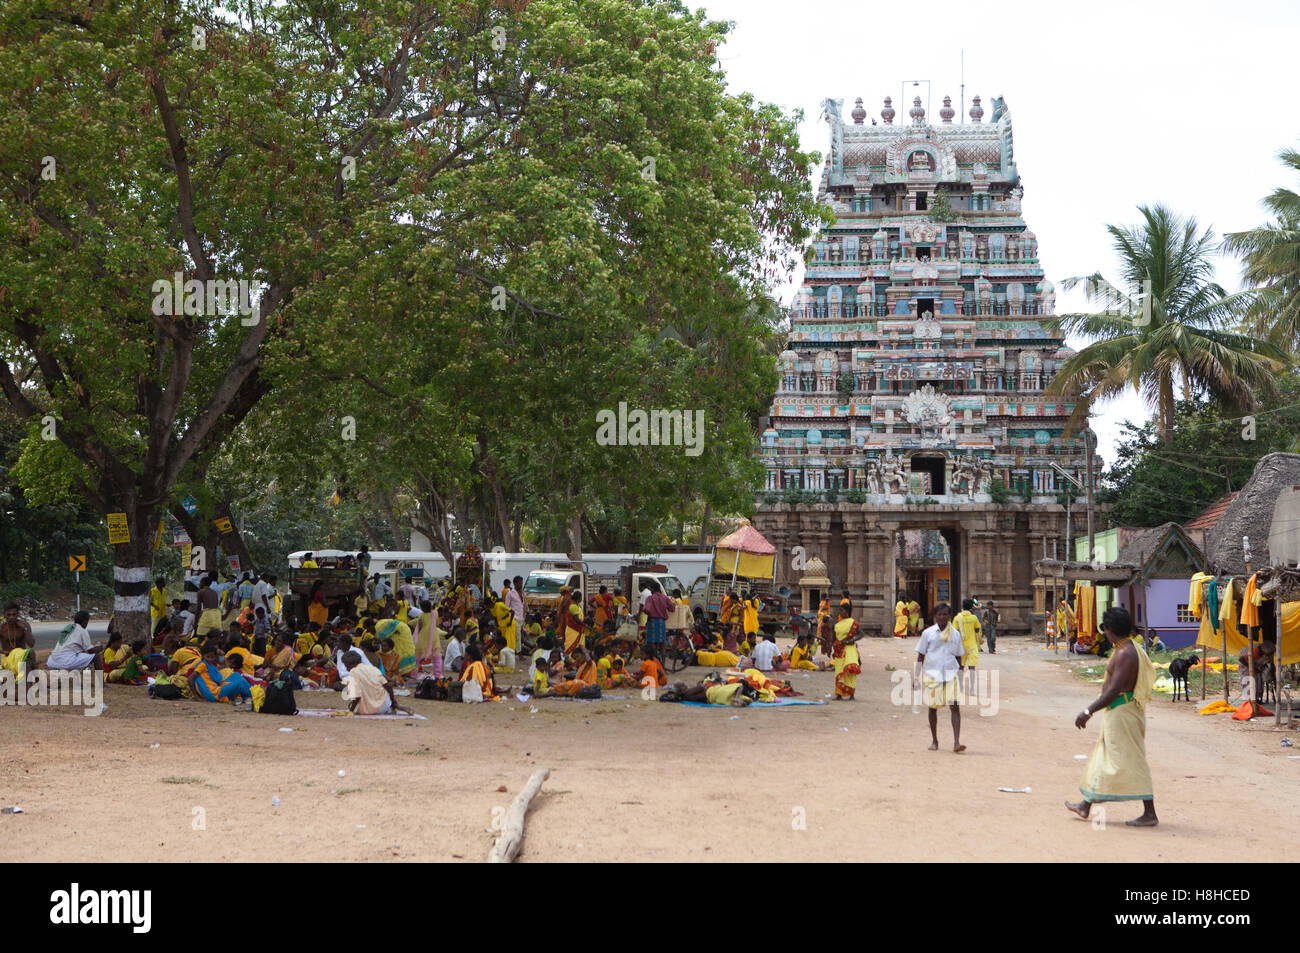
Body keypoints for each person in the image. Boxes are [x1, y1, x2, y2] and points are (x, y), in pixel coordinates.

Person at [1066, 606, 1158, 827]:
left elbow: (1114, 689)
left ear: (1109, 629)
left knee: (1133, 759)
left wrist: (1088, 711)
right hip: (1118, 712)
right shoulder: (1124, 648)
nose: (1104, 633)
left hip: (1122, 712)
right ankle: (1085, 805)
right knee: (1103, 756)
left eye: (1105, 629)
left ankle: (1150, 813)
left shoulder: (1126, 653)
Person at [916, 603, 964, 753]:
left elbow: (959, 657)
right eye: (939, 614)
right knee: (932, 709)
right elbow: (920, 655)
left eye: (945, 614)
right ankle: (935, 740)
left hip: (951, 674)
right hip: (933, 675)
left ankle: (956, 742)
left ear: (949, 616)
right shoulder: (928, 633)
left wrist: (961, 675)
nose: (942, 617)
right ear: (935, 616)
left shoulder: (955, 634)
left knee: (955, 708)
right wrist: (916, 676)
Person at [342, 650, 413, 715]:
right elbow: (388, 686)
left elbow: (357, 696)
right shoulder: (373, 669)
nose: (346, 669)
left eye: (347, 666)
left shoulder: (353, 672)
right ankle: (392, 707)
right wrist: (394, 703)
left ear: (353, 663)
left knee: (351, 705)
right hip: (384, 707)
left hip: (367, 710)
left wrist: (350, 711)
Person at [188, 646, 253, 706]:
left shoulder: (210, 665)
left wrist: (221, 655)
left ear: (215, 657)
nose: (210, 659)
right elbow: (190, 679)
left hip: (217, 689)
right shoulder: (202, 665)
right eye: (208, 657)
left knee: (236, 675)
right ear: (203, 656)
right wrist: (196, 697)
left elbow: (221, 667)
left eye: (212, 657)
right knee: (241, 682)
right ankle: (252, 696)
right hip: (213, 694)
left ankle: (247, 697)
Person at [953, 598, 983, 702]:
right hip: (972, 646)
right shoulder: (974, 618)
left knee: (960, 667)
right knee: (972, 668)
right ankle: (972, 689)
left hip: (960, 646)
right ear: (971, 607)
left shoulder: (957, 618)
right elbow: (977, 629)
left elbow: (954, 632)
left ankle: (960, 688)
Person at [831, 603, 861, 700]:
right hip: (839, 651)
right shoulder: (837, 625)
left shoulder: (853, 623)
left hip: (849, 650)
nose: (840, 613)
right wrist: (832, 649)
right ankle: (839, 694)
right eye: (840, 610)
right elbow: (833, 638)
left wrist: (853, 639)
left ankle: (851, 695)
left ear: (847, 612)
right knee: (839, 671)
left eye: (842, 610)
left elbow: (861, 634)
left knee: (850, 671)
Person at [642, 581, 675, 663]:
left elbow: (646, 610)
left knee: (652, 642)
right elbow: (672, 609)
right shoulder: (665, 597)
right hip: (662, 623)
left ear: (652, 589)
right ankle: (663, 664)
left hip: (652, 622)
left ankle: (654, 662)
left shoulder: (650, 598)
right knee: (662, 643)